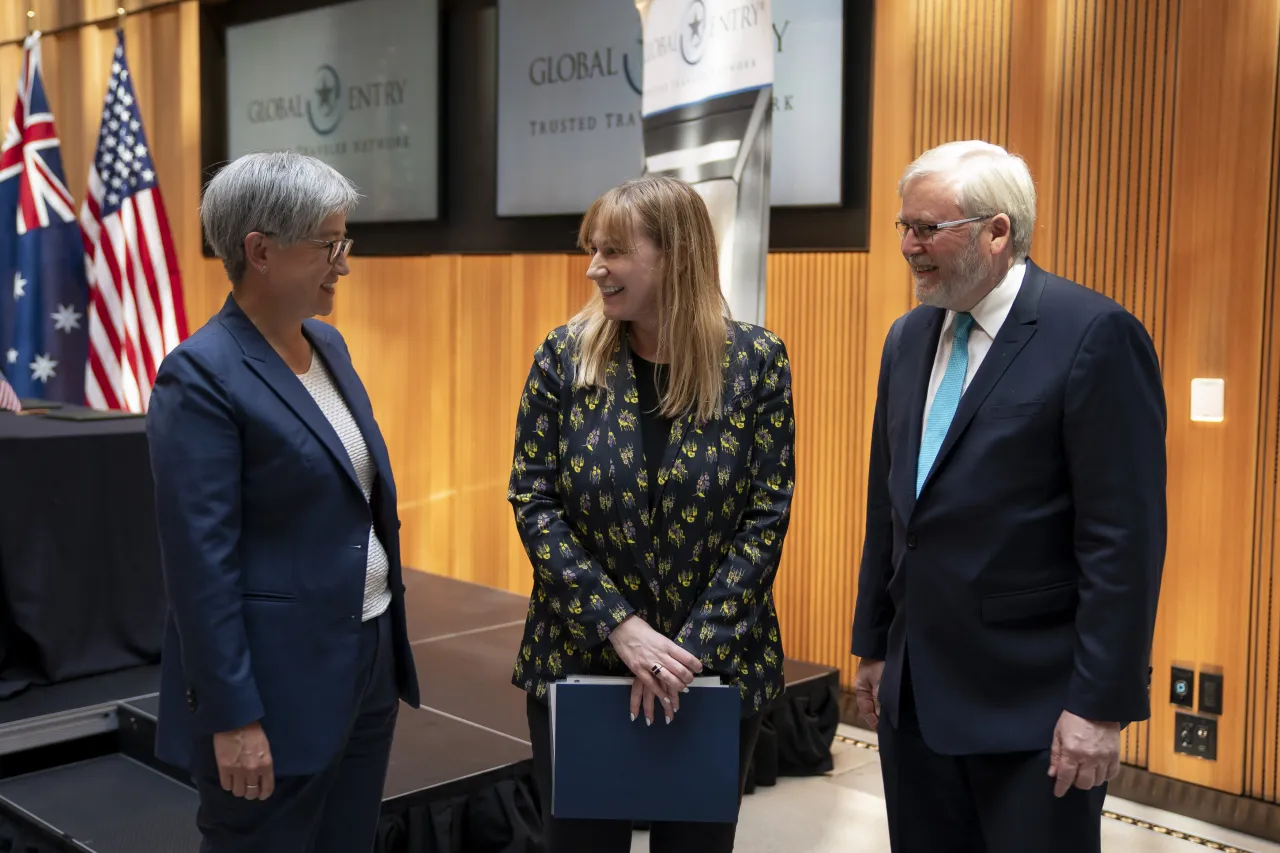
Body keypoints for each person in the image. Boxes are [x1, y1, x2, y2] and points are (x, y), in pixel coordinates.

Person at [850, 140, 1166, 853]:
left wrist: (1100, 707)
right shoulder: (907, 339)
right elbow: (891, 509)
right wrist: (873, 643)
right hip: (917, 701)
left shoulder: (1092, 336)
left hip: (1036, 712)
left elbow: (1124, 541)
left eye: (928, 228)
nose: (908, 245)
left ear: (998, 231)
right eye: (903, 226)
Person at [507, 175, 795, 852]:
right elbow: (534, 499)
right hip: (581, 657)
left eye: (613, 250)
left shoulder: (756, 363)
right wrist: (622, 629)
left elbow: (766, 514)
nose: (593, 268)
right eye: (591, 249)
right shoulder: (563, 356)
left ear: (675, 255)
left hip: (713, 666)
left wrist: (686, 652)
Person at [146, 151, 420, 852]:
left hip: (364, 658)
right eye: (328, 245)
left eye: (343, 241)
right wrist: (233, 715)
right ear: (259, 250)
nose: (344, 263)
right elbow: (200, 568)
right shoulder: (200, 374)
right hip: (271, 686)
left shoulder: (326, 344)